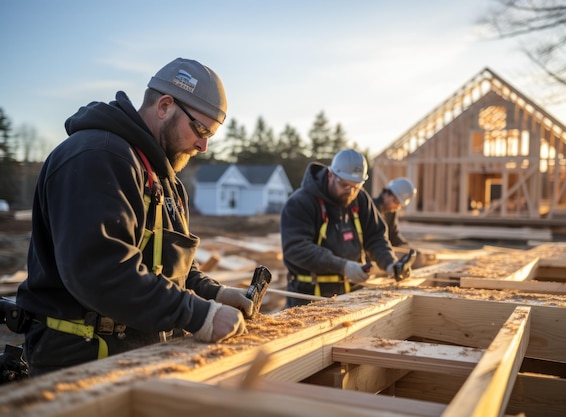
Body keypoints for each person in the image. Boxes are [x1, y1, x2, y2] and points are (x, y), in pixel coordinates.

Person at [15, 58, 252, 376]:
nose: (204, 145)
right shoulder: (97, 157)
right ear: (165, 106)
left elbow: (173, 267)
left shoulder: (165, 180)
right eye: (200, 129)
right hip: (83, 359)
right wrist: (198, 315)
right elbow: (102, 272)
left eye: (211, 134)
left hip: (136, 352)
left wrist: (213, 293)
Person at [280, 149, 404, 307]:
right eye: (344, 185)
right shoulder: (301, 202)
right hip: (309, 296)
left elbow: (375, 236)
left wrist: (389, 263)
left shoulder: (360, 199)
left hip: (351, 293)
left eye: (356, 186)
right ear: (331, 174)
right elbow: (296, 248)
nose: (350, 191)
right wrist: (342, 266)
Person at [372, 177, 416, 247]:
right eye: (396, 202)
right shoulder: (371, 208)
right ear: (387, 194)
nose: (397, 207)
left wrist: (407, 247)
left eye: (400, 205)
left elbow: (393, 235)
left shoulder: (391, 212)